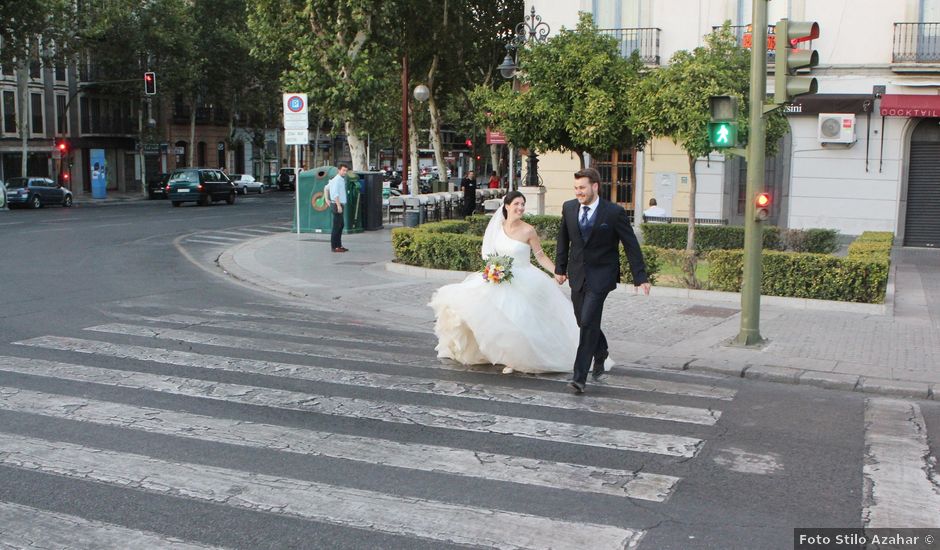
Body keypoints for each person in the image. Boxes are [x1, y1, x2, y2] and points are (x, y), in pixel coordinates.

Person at [429, 191, 584, 374]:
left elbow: (540, 256)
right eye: (517, 204)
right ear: (507, 206)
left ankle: (517, 357)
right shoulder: (498, 226)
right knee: (488, 315)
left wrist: (557, 272)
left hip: (525, 278)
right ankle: (494, 352)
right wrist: (492, 269)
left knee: (520, 319)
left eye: (522, 204)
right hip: (498, 277)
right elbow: (488, 252)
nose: (520, 208)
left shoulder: (528, 230)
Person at [555, 168, 650, 394]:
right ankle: (601, 350)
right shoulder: (569, 208)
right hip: (578, 273)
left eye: (583, 188)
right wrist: (560, 269)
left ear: (595, 186)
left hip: (601, 276)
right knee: (581, 319)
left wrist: (640, 277)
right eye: (576, 188)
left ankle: (579, 377)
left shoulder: (614, 213)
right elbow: (563, 240)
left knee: (588, 322)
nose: (578, 192)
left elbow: (631, 245)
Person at [328, 164, 349, 253]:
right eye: (343, 170)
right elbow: (335, 193)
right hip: (337, 205)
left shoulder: (341, 180)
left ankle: (339, 245)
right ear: (339, 170)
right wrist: (338, 205)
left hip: (340, 204)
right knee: (337, 226)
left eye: (346, 171)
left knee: (341, 225)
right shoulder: (336, 180)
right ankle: (334, 246)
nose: (344, 172)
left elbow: (326, 188)